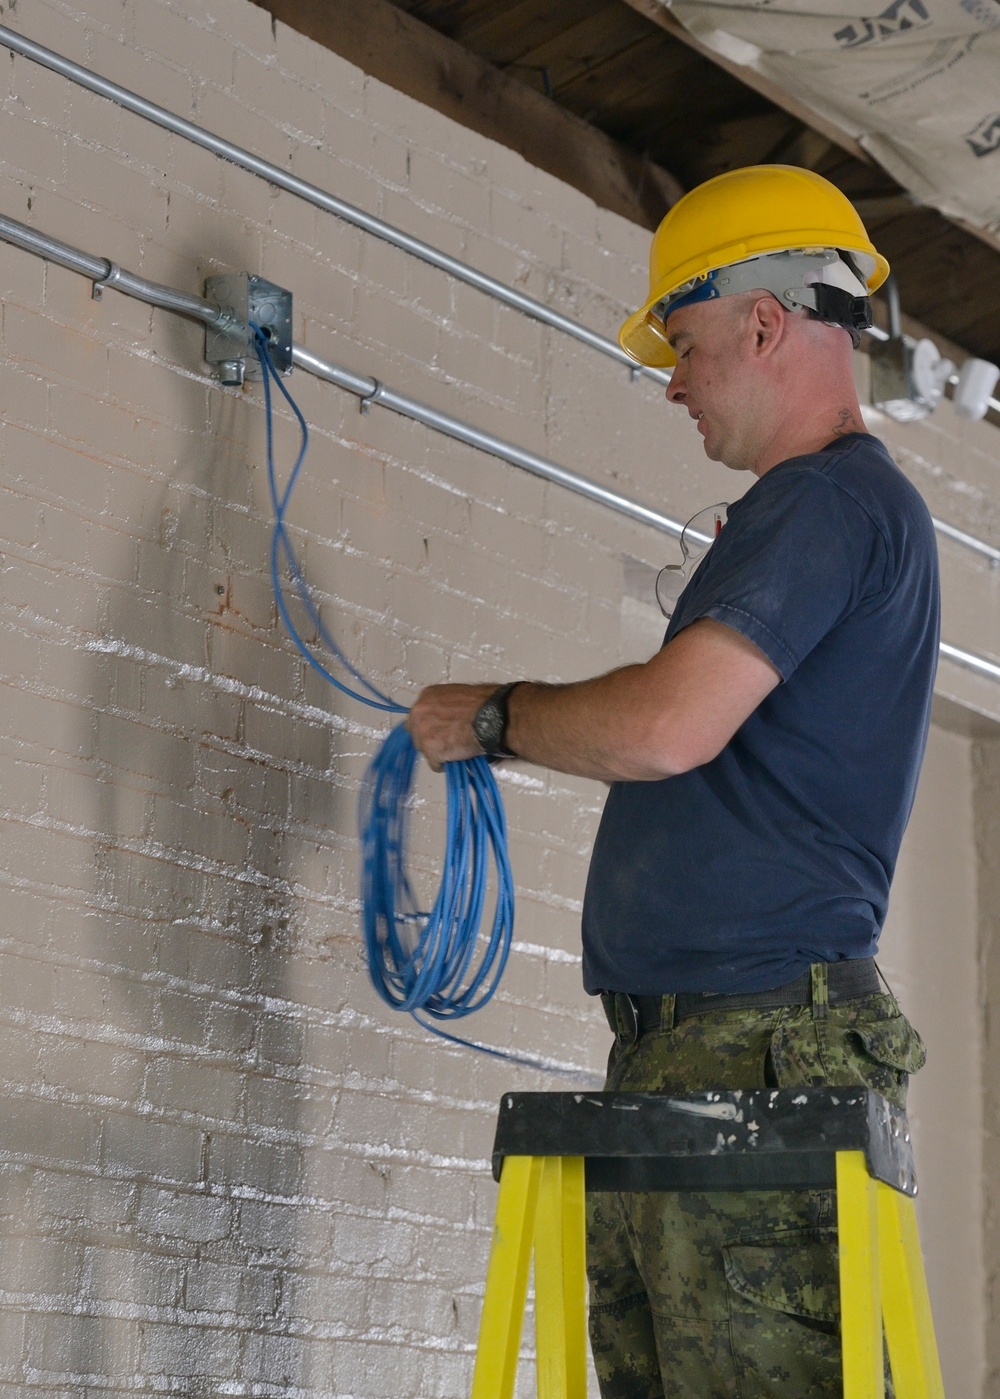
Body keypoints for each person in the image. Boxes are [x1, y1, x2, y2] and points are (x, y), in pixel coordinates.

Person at [406, 165, 939, 1397]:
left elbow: (666, 727)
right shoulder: (812, 513)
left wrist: (496, 719)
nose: (673, 379)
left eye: (686, 342)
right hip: (696, 1048)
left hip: (759, 1049)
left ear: (763, 324)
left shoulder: (829, 502)